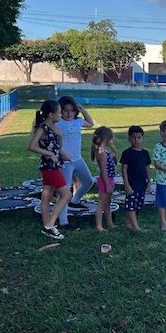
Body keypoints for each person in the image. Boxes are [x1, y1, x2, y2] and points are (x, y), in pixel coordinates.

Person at [28, 100, 72, 240]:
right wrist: (49, 154)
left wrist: (60, 136)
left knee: (47, 195)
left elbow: (57, 147)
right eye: (59, 112)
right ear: (51, 115)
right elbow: (32, 146)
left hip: (54, 165)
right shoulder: (42, 128)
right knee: (66, 195)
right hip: (49, 167)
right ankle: (50, 225)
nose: (61, 115)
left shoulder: (53, 127)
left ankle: (47, 224)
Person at [56, 96, 95, 231]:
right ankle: (63, 221)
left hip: (78, 160)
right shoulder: (58, 123)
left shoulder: (78, 122)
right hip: (65, 163)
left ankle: (75, 201)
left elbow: (90, 124)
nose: (69, 113)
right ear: (60, 111)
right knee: (65, 192)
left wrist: (83, 110)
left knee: (88, 181)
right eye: (65, 110)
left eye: (72, 110)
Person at [120, 126, 152, 232]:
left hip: (142, 183)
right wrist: (126, 184)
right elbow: (124, 169)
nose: (136, 140)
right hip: (132, 184)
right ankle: (136, 227)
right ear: (129, 138)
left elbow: (147, 168)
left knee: (138, 205)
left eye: (139, 137)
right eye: (133, 137)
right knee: (131, 205)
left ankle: (129, 224)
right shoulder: (127, 153)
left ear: (142, 138)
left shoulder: (145, 153)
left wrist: (149, 182)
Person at [91, 126, 117, 232]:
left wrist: (113, 148)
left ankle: (110, 223)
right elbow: (103, 171)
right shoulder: (101, 153)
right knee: (101, 204)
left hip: (109, 179)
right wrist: (107, 184)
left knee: (107, 203)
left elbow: (115, 158)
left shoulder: (103, 150)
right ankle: (99, 226)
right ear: (106, 139)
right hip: (105, 180)